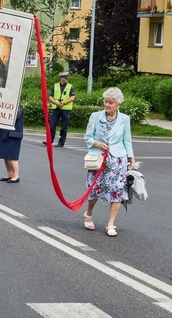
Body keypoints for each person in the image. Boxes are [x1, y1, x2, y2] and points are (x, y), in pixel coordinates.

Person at [83, 87, 136, 237]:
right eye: (106, 102)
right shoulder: (95, 116)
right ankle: (89, 213)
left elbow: (127, 141)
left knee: (117, 191)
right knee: (95, 190)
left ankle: (111, 223)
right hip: (99, 160)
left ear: (118, 104)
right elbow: (88, 137)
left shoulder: (125, 119)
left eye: (110, 102)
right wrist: (96, 144)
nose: (107, 105)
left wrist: (131, 159)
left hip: (118, 160)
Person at [44, 72, 75, 147]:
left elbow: (72, 97)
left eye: (67, 78)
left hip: (66, 109)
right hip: (56, 108)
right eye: (65, 78)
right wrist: (56, 103)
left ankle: (61, 142)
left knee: (64, 127)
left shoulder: (70, 86)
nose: (67, 79)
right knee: (52, 125)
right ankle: (49, 141)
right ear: (62, 78)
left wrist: (64, 103)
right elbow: (50, 97)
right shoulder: (55, 86)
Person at [0, 104, 24, 183]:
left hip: (14, 134)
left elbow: (15, 116)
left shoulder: (19, 106)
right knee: (5, 155)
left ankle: (16, 175)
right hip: (4, 133)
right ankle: (10, 173)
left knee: (12, 156)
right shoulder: (4, 105)